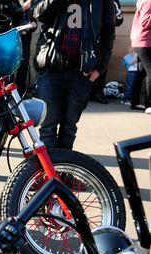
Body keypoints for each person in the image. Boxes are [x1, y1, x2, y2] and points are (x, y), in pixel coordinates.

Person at [32, 0, 115, 150]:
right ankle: (49, 172)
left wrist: (99, 68)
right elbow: (38, 14)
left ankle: (63, 170)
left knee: (69, 128)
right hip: (51, 68)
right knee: (47, 128)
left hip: (81, 72)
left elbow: (108, 32)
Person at [130, 0, 151, 114]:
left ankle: (135, 103)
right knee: (150, 73)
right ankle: (149, 105)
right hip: (146, 42)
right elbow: (146, 21)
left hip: (141, 41)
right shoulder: (149, 1)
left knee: (141, 72)